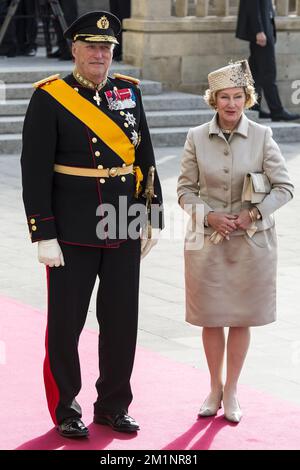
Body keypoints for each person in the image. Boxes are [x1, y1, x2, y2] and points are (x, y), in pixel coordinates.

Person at [21, 10, 163, 438]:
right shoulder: (50, 97)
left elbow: (145, 158)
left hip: (121, 221)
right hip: (71, 227)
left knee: (121, 321)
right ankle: (66, 407)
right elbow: (34, 169)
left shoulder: (128, 93)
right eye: (92, 47)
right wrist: (43, 232)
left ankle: (114, 404)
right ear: (75, 50)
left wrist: (149, 215)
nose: (100, 54)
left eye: (107, 48)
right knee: (66, 323)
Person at [177, 60, 294, 423]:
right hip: (208, 243)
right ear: (213, 100)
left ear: (248, 98)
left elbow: (285, 187)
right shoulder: (196, 136)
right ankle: (214, 388)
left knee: (240, 319)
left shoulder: (262, 136)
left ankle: (233, 392)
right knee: (212, 319)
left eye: (238, 97)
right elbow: (184, 190)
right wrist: (208, 215)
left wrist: (254, 213)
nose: (231, 104)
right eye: (224, 97)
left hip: (251, 244)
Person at [236, 0, 300, 121]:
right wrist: (258, 31)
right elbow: (252, 5)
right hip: (262, 32)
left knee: (256, 72)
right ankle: (277, 110)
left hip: (265, 28)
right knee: (268, 72)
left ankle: (253, 106)